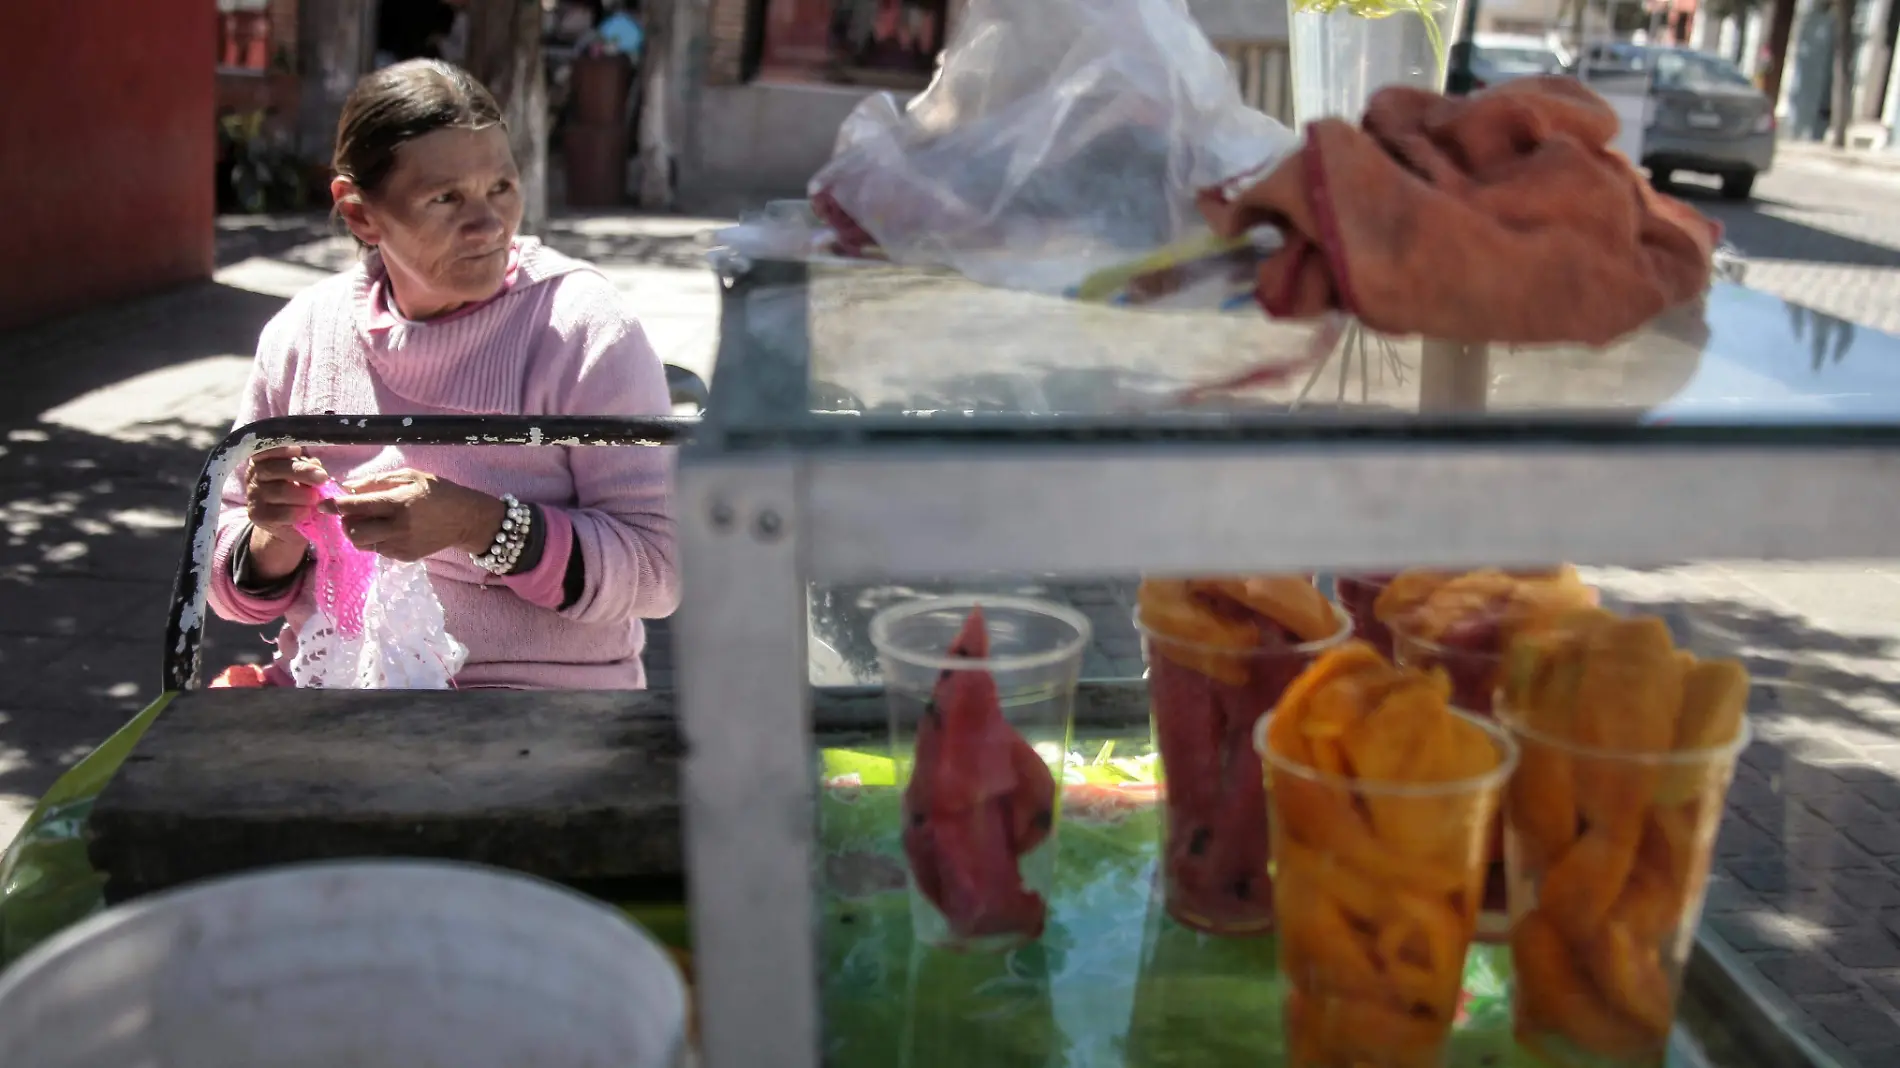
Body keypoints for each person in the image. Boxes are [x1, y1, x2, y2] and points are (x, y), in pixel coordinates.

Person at [208, 59, 679, 689]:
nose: (489, 225)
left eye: (503, 188)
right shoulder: (303, 336)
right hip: (337, 696)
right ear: (358, 213)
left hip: (540, 709)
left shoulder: (582, 329)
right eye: (446, 198)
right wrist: (278, 534)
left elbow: (660, 567)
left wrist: (479, 524)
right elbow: (223, 583)